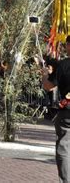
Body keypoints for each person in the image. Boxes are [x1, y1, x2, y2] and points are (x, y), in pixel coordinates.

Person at [42, 35, 70, 183]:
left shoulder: (63, 65)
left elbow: (49, 86)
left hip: (67, 112)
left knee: (64, 148)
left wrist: (45, 75)